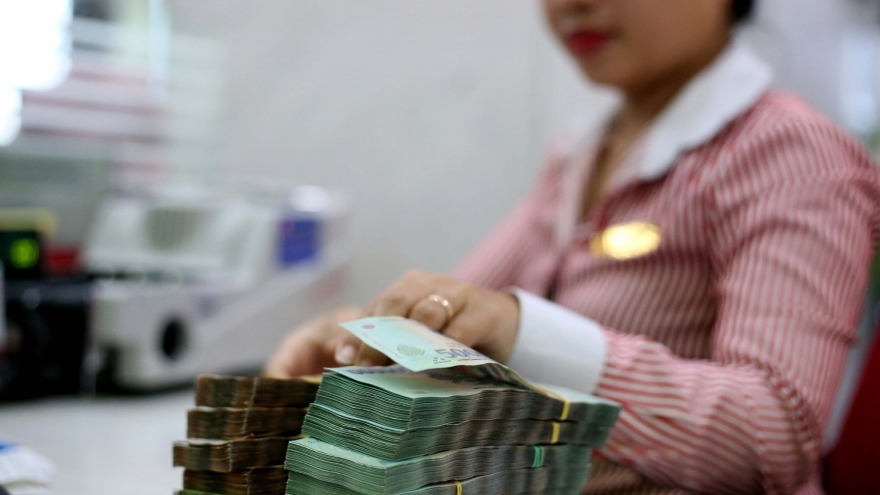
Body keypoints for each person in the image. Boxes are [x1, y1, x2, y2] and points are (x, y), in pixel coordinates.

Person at [266, 0, 880, 493]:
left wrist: (524, 332)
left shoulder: (793, 154)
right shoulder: (580, 153)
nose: (572, 4)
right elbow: (462, 315)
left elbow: (774, 436)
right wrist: (367, 338)